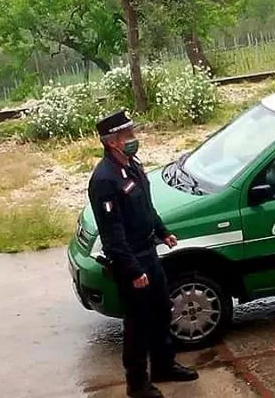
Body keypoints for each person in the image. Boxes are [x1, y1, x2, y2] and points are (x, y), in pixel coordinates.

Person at [88, 110, 198, 398]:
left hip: (149, 252)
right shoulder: (104, 180)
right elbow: (112, 235)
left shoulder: (132, 165)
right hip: (131, 261)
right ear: (112, 142)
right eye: (128, 136)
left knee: (162, 311)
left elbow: (146, 207)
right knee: (138, 324)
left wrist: (163, 231)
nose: (134, 139)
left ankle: (164, 365)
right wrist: (133, 270)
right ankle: (137, 384)